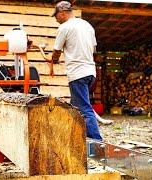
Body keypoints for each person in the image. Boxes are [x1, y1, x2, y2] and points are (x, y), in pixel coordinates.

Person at [51, 1, 102, 140]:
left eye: (56, 16)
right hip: (90, 73)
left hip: (77, 74)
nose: (56, 19)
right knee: (75, 107)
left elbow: (56, 52)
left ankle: (97, 142)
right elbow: (94, 49)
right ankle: (77, 138)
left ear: (62, 12)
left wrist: (53, 59)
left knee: (84, 109)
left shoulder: (64, 27)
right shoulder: (87, 25)